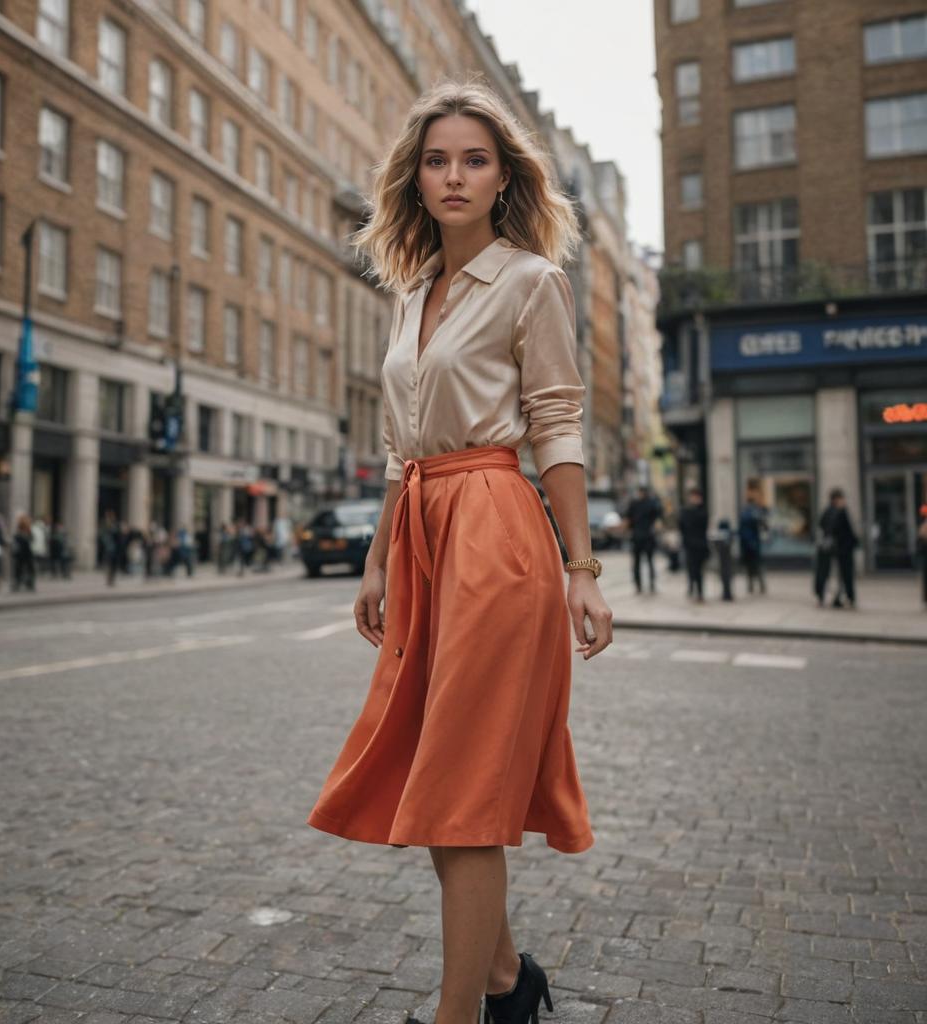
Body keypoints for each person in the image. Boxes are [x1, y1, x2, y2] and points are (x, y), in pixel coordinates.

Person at [306, 80, 613, 1024]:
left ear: (503, 175)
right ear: (414, 175)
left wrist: (582, 568)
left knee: (462, 786)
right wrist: (375, 559)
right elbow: (403, 447)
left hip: (494, 531)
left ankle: (458, 1018)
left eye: (474, 159)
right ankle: (509, 986)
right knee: (436, 771)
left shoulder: (530, 281)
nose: (453, 175)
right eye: (437, 159)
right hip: (425, 534)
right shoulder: (410, 293)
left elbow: (557, 425)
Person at [815, 487, 858, 608]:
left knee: (833, 575)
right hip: (841, 549)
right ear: (836, 499)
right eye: (841, 498)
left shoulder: (828, 511)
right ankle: (844, 597)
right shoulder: (839, 511)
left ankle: (835, 597)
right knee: (844, 574)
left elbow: (822, 526)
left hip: (833, 549)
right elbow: (845, 531)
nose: (843, 501)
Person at [624, 484, 661, 594]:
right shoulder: (648, 503)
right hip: (643, 536)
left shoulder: (645, 504)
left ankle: (645, 585)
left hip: (643, 536)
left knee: (642, 562)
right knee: (644, 562)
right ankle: (643, 585)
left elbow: (628, 520)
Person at [679, 487, 709, 602]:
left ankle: (699, 592)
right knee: (692, 569)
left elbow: (703, 524)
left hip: (700, 545)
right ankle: (692, 587)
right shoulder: (686, 511)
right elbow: (682, 526)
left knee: (699, 570)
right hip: (690, 545)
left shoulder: (702, 511)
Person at [738, 483, 768, 595]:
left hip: (747, 544)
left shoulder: (745, 512)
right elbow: (763, 525)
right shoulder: (755, 512)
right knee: (757, 565)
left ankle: (751, 586)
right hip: (753, 543)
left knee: (750, 566)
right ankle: (761, 585)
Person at [10, 514, 36, 592]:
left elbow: (32, 539)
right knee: (20, 569)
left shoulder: (27, 531)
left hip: (26, 553)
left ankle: (28, 583)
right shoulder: (20, 531)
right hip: (21, 553)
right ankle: (20, 583)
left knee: (27, 569)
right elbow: (16, 539)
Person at [713, 518, 734, 602]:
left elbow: (715, 545)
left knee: (725, 574)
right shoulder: (728, 535)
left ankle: (727, 593)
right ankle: (727, 593)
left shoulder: (719, 536)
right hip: (726, 561)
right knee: (727, 574)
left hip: (724, 561)